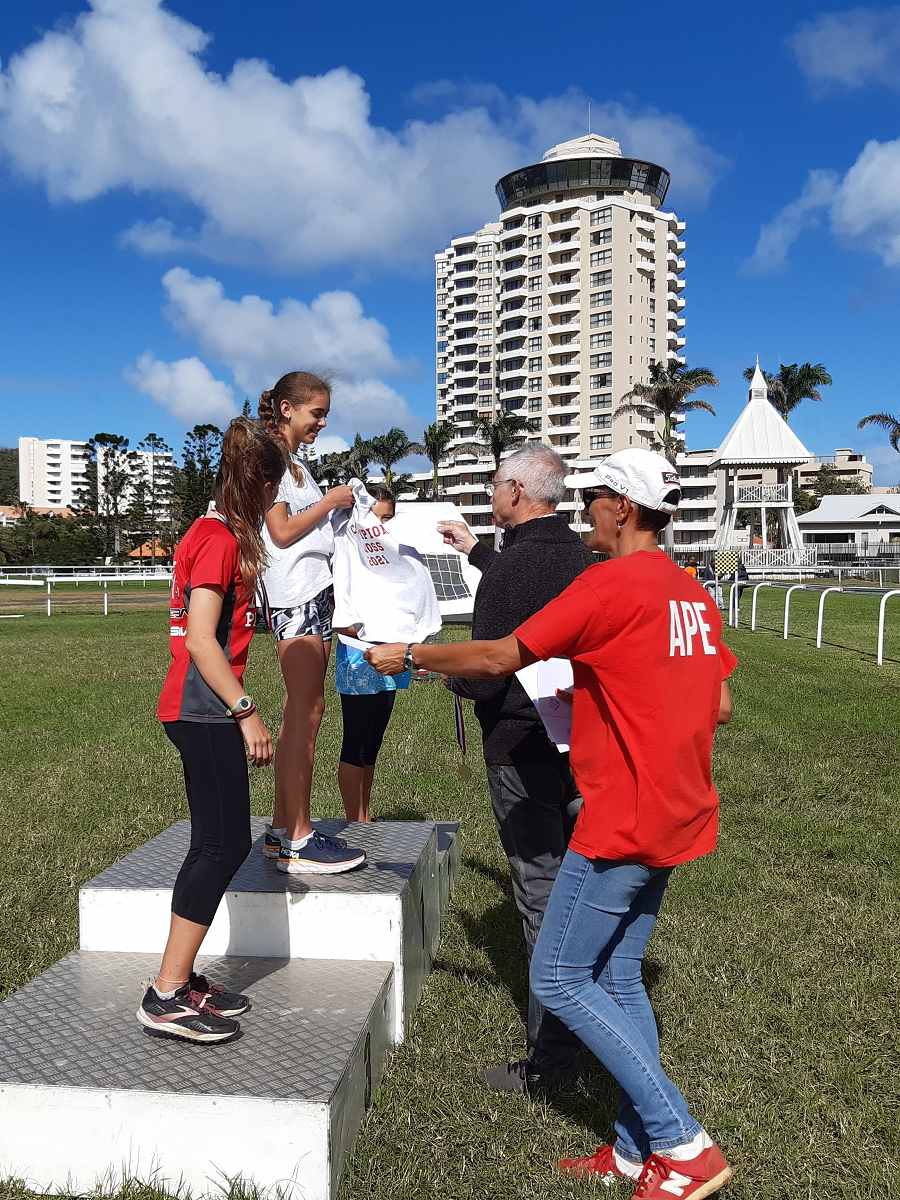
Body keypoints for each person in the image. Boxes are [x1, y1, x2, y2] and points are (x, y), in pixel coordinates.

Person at [367, 447, 737, 1200]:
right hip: (679, 808)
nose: (584, 507)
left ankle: (683, 1143)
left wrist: (410, 654)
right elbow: (721, 704)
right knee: (620, 976)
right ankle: (635, 1150)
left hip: (624, 816)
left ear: (622, 509)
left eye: (595, 496)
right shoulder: (689, 591)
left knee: (560, 977)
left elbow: (501, 656)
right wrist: (617, 692)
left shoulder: (608, 584)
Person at [437, 445, 593, 1095]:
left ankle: (550, 1060)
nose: (491, 494)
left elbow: (488, 666)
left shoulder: (509, 572)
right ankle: (596, 1019)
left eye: (495, 485)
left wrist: (445, 675)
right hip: (583, 745)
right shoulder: (582, 557)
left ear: (516, 493)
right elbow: (536, 596)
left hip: (519, 747)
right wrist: (477, 551)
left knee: (540, 897)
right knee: (583, 892)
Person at [138, 418, 285, 1044]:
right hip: (204, 710)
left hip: (198, 708)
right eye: (274, 487)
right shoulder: (220, 539)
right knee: (221, 846)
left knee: (213, 844)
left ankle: (181, 978)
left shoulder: (210, 531)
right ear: (257, 483)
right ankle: (166, 993)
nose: (275, 499)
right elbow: (201, 639)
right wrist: (246, 711)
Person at [258, 372, 365, 874]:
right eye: (316, 413)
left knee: (301, 712)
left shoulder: (297, 463)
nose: (322, 423)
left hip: (315, 592)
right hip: (293, 595)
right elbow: (280, 532)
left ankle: (283, 828)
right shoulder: (270, 458)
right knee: (306, 713)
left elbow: (312, 529)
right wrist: (329, 503)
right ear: (287, 408)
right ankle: (298, 839)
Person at [335, 486, 410, 822]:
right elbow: (341, 619)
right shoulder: (348, 554)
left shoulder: (393, 559)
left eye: (388, 518)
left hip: (390, 661)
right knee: (356, 740)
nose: (382, 526)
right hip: (359, 662)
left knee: (373, 742)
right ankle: (355, 819)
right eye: (376, 517)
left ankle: (365, 814)